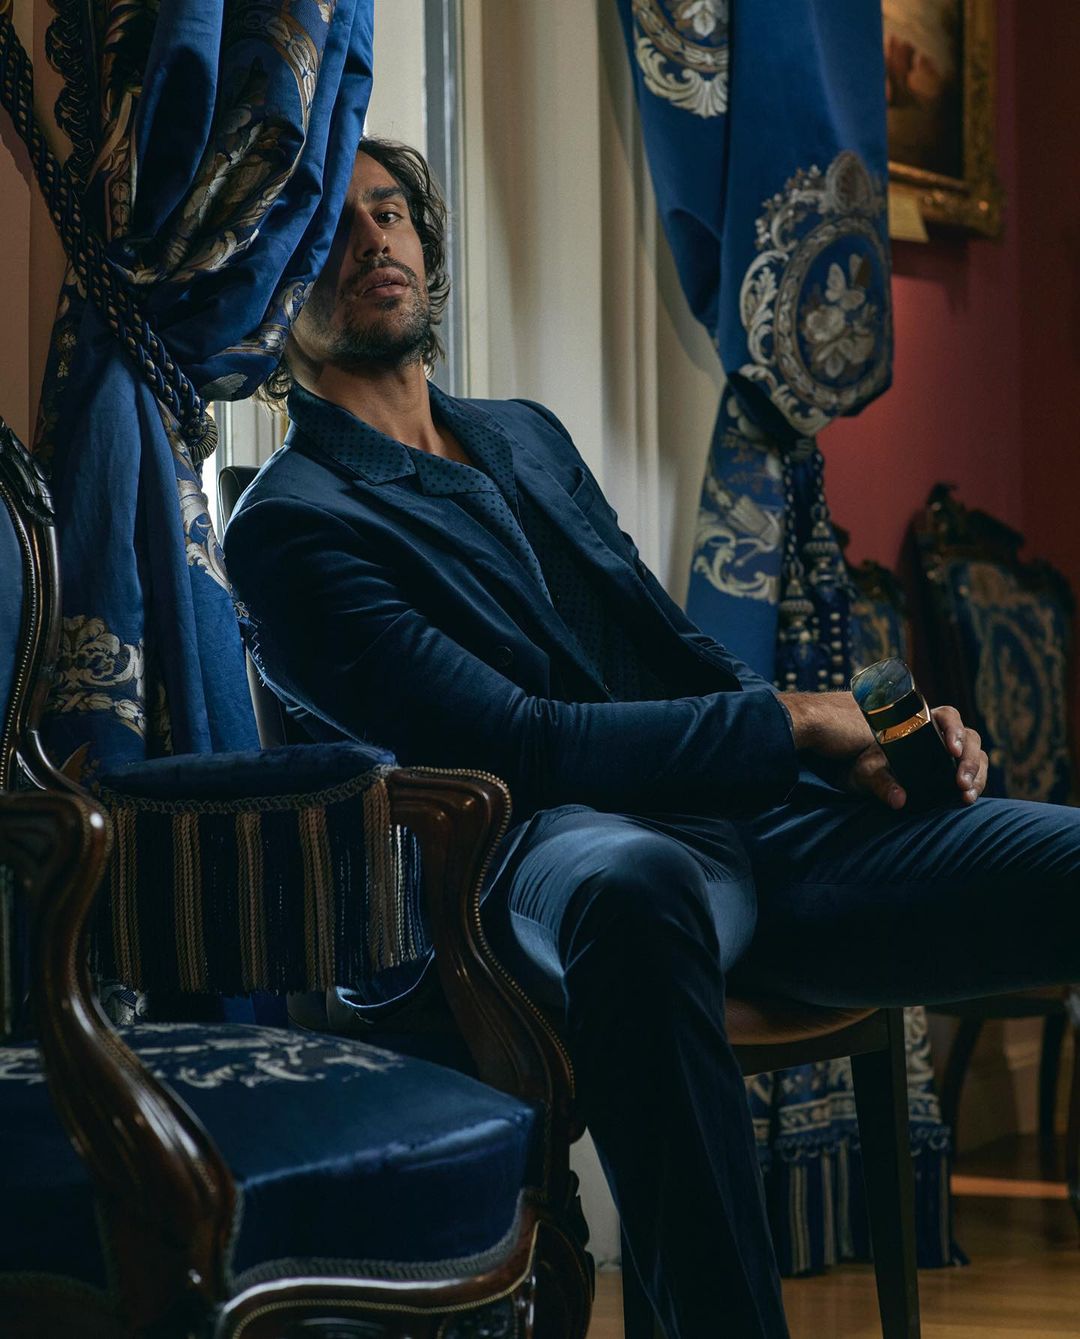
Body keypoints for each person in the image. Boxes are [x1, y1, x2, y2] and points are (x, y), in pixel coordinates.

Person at [224, 138, 1080, 1339]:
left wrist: (861, 743)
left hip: (742, 822)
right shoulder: (289, 524)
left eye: (391, 212)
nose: (374, 240)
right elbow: (514, 744)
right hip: (527, 854)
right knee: (636, 884)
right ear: (278, 274)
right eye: (335, 224)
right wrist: (791, 722)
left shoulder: (524, 435)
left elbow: (669, 649)